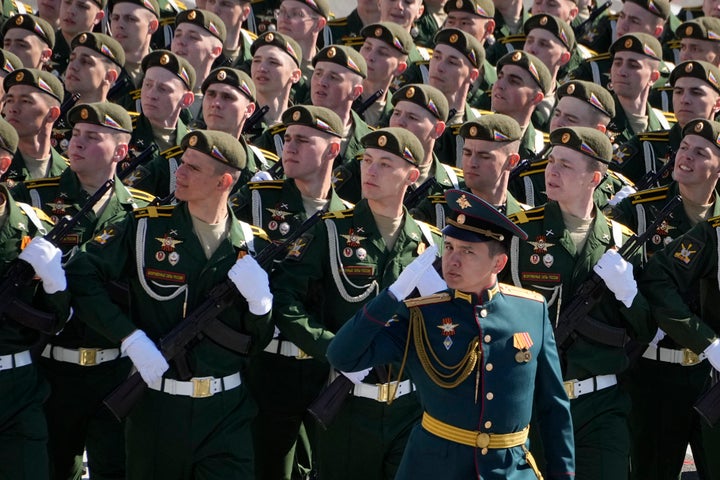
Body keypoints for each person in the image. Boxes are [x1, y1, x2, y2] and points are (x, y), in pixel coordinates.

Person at [66, 129, 275, 478]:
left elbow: (256, 340)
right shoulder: (144, 227)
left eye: (193, 168)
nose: (179, 172)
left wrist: (262, 306)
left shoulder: (254, 244)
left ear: (224, 181)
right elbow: (81, 275)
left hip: (227, 411)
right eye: (181, 163)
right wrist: (129, 337)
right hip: (157, 407)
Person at [327, 188, 575, 479]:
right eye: (449, 247)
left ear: (498, 263)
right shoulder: (421, 314)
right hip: (435, 468)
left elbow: (553, 405)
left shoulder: (531, 310)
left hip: (509, 469)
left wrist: (563, 473)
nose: (453, 260)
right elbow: (342, 356)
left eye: (467, 251)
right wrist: (392, 296)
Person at [271, 127, 442, 479]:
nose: (371, 171)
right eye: (366, 161)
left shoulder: (428, 243)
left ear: (412, 176)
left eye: (385, 164)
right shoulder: (330, 231)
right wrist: (337, 348)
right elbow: (286, 300)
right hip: (348, 403)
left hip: (409, 405)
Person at [12, 102, 154, 480]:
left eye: (93, 137)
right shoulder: (34, 199)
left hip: (116, 368)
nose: (77, 143)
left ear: (121, 151)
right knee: (56, 468)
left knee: (116, 468)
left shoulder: (141, 211)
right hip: (53, 367)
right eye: (75, 135)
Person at [505, 126, 653, 479]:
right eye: (551, 161)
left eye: (566, 166)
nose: (551, 171)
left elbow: (645, 328)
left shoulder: (621, 241)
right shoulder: (519, 234)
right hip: (535, 400)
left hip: (600, 404)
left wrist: (630, 294)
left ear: (594, 179)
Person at [238, 105, 349, 480]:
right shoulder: (256, 201)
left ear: (333, 150)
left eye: (303, 140)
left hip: (325, 369)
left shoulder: (348, 217)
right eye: (287, 139)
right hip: (267, 363)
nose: (290, 147)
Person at [615, 118, 720, 480]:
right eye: (684, 147)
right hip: (654, 371)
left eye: (700, 152)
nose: (685, 157)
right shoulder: (639, 212)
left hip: (710, 375)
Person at [0, 116, 69, 480]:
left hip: (18, 388)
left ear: (3, 164)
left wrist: (56, 284)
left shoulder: (32, 226)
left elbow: (57, 318)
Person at [412, 114, 528, 229]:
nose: (471, 163)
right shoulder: (437, 210)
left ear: (511, 162)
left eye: (484, 156)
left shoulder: (526, 221)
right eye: (467, 153)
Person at [122, 49, 195, 198]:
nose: (151, 95)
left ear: (186, 100)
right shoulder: (120, 132)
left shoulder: (194, 146)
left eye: (163, 89)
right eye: (147, 85)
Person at [1, 68, 68, 186]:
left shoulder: (70, 174)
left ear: (52, 114)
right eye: (10, 100)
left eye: (26, 101)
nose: (13, 109)